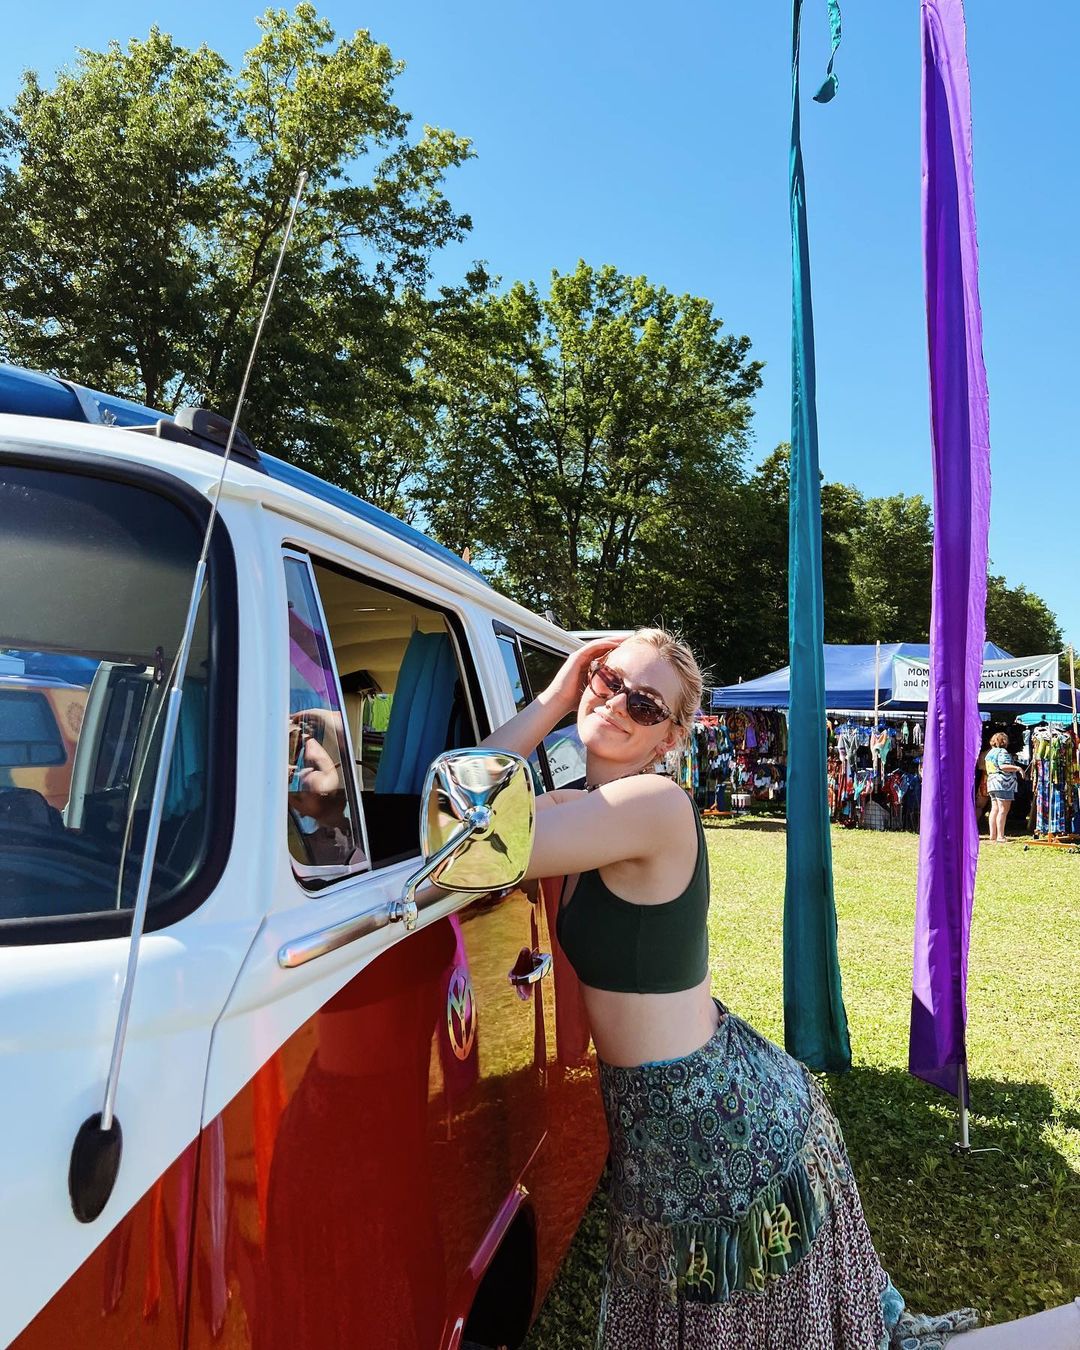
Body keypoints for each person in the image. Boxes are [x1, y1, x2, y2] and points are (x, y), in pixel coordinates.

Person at [481, 628, 979, 1348]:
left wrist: (556, 703)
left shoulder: (652, 804)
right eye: (607, 681)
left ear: (670, 737)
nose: (616, 704)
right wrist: (559, 694)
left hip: (710, 1126)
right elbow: (462, 805)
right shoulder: (580, 804)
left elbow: (472, 843)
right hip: (683, 1108)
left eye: (645, 704)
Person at [984, 732, 1022, 844]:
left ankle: (993, 835)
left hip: (992, 782)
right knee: (1003, 810)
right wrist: (1017, 768)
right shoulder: (1002, 752)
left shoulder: (989, 753)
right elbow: (1003, 766)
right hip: (1003, 783)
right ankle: (1000, 836)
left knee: (994, 809)